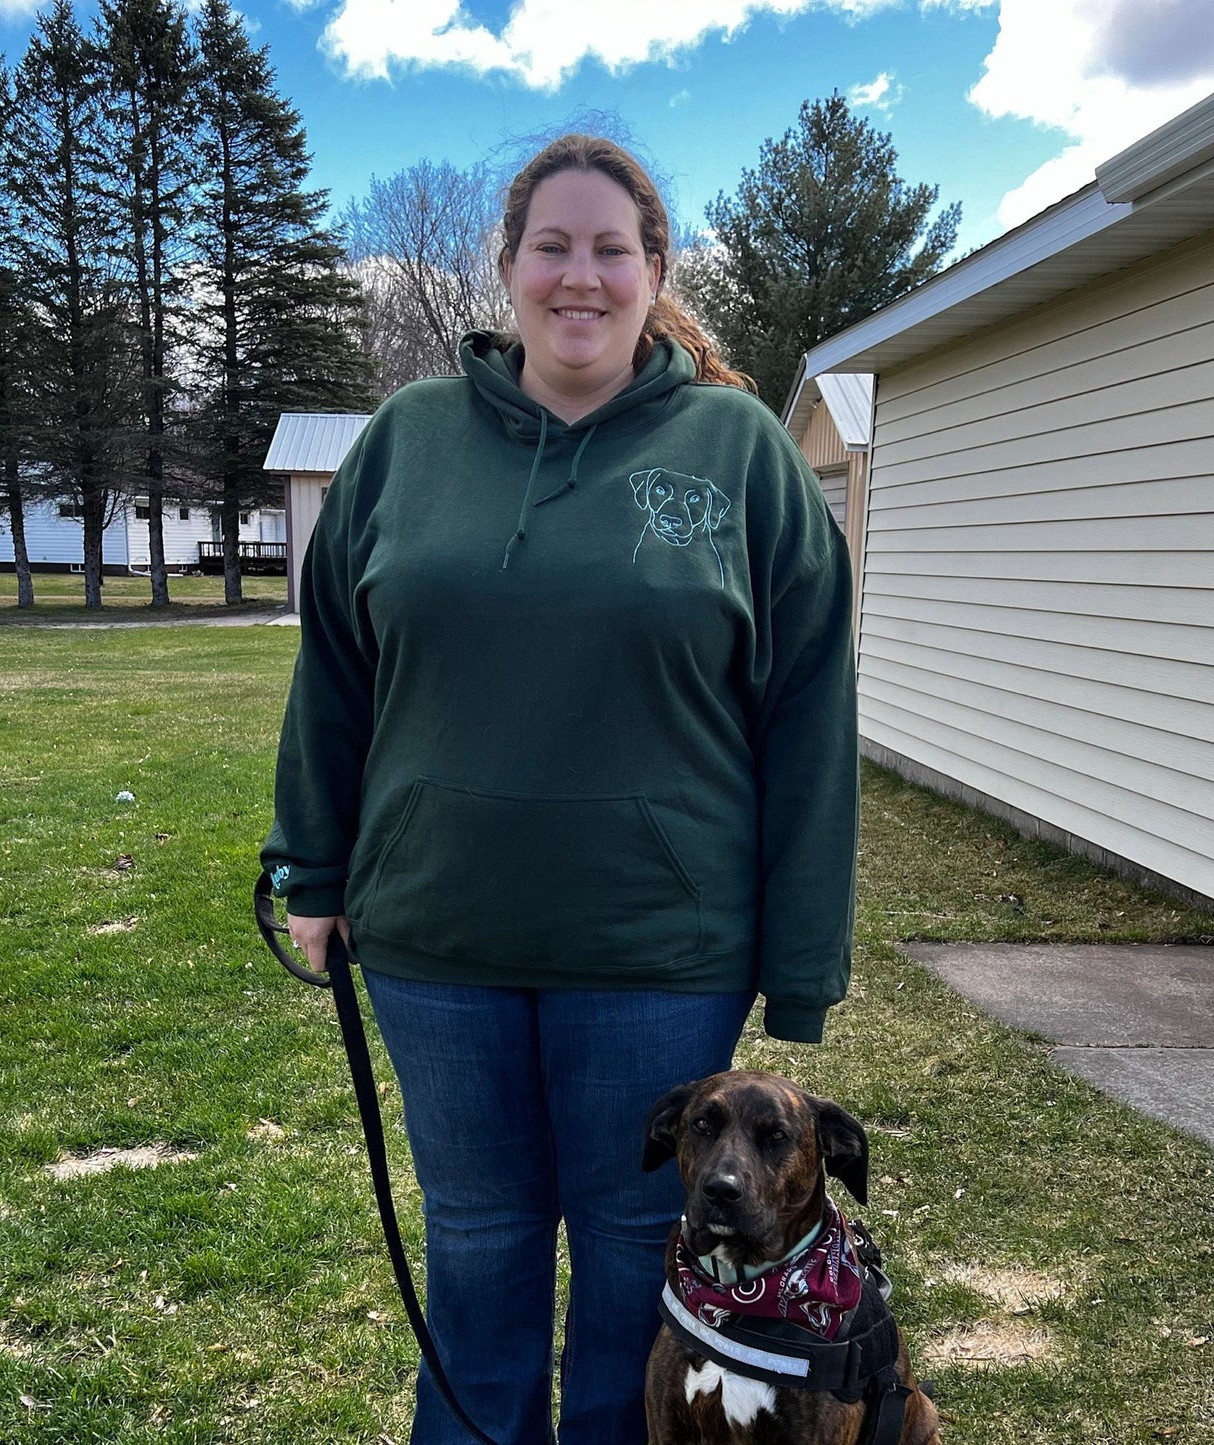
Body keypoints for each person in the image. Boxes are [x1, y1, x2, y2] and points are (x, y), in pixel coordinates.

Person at [262, 133, 859, 1445]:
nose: (576, 276)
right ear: (507, 266)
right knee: (474, 1260)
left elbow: (808, 714)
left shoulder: (739, 454)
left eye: (609, 249)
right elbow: (336, 673)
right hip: (435, 945)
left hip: (657, 955)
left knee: (632, 1286)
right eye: (550, 246)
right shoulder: (408, 442)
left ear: (654, 271)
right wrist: (310, 867)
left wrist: (801, 959)